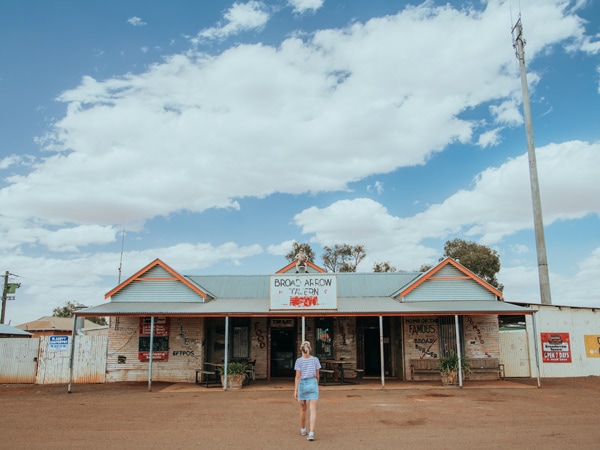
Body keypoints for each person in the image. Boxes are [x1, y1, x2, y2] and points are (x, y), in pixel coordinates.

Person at [294, 340, 321, 441]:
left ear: (301, 349)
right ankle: (311, 433)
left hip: (302, 385)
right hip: (312, 383)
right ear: (310, 349)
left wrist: (295, 390)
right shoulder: (315, 360)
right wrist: (316, 383)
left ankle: (303, 429)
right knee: (313, 410)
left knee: (302, 409)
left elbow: (297, 376)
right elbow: (317, 374)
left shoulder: (298, 361)